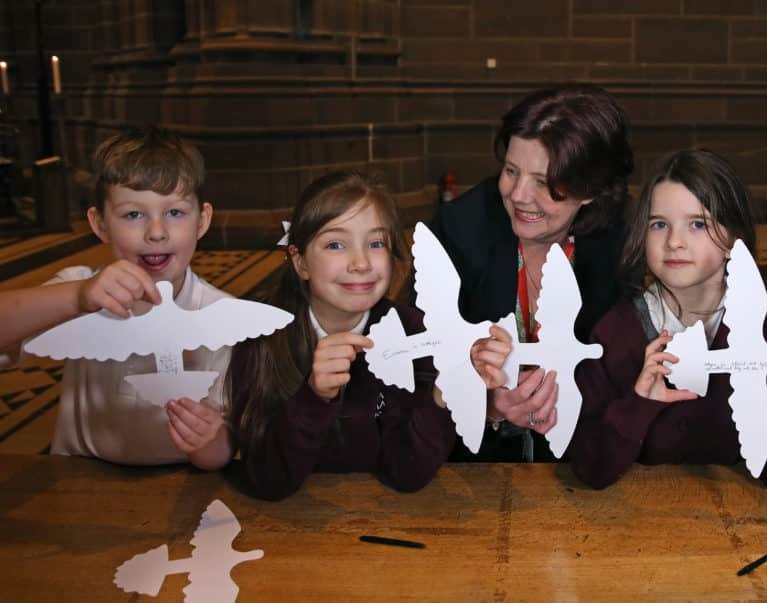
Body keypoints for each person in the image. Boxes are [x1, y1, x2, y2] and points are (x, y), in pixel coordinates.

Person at [569, 149, 767, 489]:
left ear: (732, 239)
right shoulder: (615, 333)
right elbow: (589, 468)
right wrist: (638, 405)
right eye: (659, 224)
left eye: (697, 224)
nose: (674, 242)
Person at [0, 127, 231, 469]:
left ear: (203, 220)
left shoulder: (222, 318)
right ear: (100, 223)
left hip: (181, 485)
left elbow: (224, 450)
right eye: (133, 214)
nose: (156, 232)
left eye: (175, 212)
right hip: (80, 476)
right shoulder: (78, 290)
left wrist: (210, 443)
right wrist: (77, 298)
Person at [433, 83, 634, 462]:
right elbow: (419, 364)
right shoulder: (461, 229)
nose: (519, 194)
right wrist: (487, 404)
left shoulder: (620, 243)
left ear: (590, 188)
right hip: (475, 462)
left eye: (543, 182)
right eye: (511, 170)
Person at [225, 172, 456, 500]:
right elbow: (268, 480)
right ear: (300, 261)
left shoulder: (413, 332)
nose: (361, 263)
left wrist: (443, 395)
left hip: (382, 518)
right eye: (336, 244)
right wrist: (314, 397)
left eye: (376, 243)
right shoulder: (263, 336)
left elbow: (407, 474)